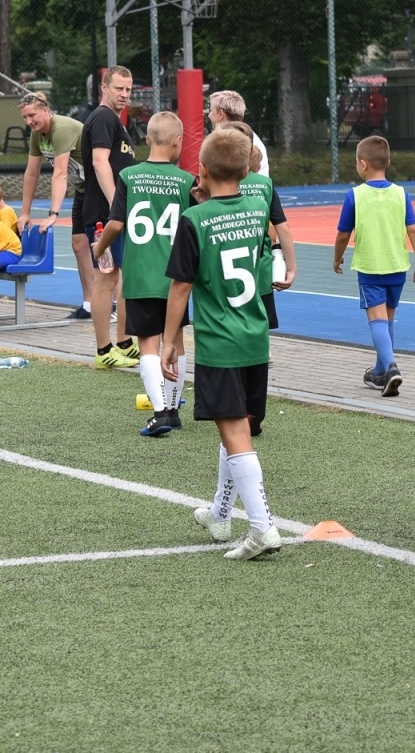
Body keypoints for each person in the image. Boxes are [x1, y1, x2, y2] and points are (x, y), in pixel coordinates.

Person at [162, 128, 282, 560]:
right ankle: (219, 513)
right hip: (254, 334)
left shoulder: (194, 220)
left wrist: (170, 341)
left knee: (234, 431)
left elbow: (180, 287)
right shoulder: (256, 205)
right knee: (237, 428)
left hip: (220, 340)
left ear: (203, 170)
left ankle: (263, 526)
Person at [92, 111, 196, 436]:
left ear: (147, 139)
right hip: (175, 275)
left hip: (140, 274)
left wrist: (99, 248)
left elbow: (116, 224)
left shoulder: (129, 176)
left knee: (148, 342)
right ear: (178, 141)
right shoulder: (186, 180)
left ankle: (161, 412)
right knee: (175, 340)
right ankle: (176, 410)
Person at [333, 135, 415, 397]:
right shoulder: (400, 193)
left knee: (377, 320)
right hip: (397, 266)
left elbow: (342, 234)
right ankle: (380, 373)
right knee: (388, 320)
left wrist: (337, 257)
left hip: (371, 267)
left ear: (362, 164)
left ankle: (392, 368)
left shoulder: (355, 196)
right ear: (388, 162)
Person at [221, 121, 295, 435]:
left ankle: (234, 408)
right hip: (259, 276)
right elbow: (282, 228)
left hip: (226, 278)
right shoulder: (264, 186)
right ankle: (256, 413)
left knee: (230, 341)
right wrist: (290, 267)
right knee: (258, 344)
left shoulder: (216, 187)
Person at [18, 91, 98, 321]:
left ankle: (110, 304)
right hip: (83, 189)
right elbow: (31, 173)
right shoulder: (37, 134)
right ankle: (89, 304)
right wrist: (25, 212)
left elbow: (60, 173)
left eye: (32, 115)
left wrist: (53, 213)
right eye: (24, 117)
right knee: (78, 244)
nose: (28, 121)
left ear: (45, 110)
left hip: (99, 189)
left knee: (101, 248)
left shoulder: (60, 128)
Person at [83, 66, 140, 368]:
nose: (124, 94)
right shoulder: (104, 117)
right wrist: (116, 205)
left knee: (121, 276)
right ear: (104, 87)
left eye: (128, 89)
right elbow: (99, 160)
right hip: (106, 216)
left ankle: (124, 342)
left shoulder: (114, 121)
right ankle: (104, 350)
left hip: (113, 213)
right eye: (119, 88)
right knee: (106, 278)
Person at [208, 89, 270, 177]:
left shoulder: (228, 141)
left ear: (221, 114)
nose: (209, 115)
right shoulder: (252, 138)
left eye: (211, 110)